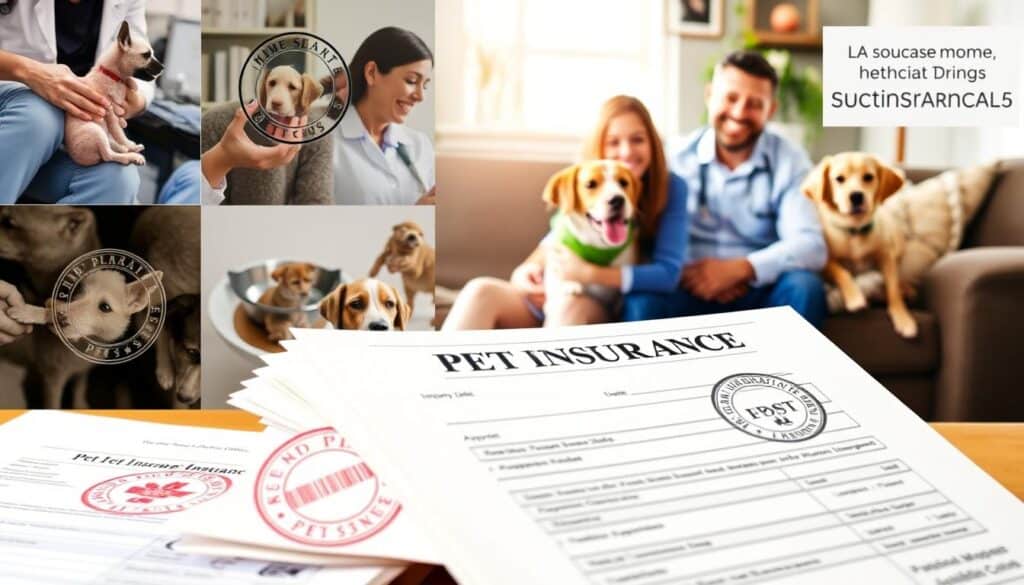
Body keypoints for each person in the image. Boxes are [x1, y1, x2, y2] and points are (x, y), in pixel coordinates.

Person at [443, 95, 688, 330]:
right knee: (480, 291)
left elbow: (667, 273)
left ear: (653, 143)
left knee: (567, 308)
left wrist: (587, 273)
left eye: (637, 139)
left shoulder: (670, 187)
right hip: (547, 296)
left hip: (592, 304)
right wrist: (522, 274)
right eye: (613, 142)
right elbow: (556, 241)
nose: (626, 152)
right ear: (599, 146)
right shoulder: (580, 182)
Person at [623, 50, 827, 327]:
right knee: (642, 299)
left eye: (755, 104)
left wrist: (743, 269)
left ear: (771, 110)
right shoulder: (673, 157)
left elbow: (811, 246)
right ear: (710, 95)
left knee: (805, 288)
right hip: (685, 285)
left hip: (758, 289)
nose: (739, 112)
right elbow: (630, 223)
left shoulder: (790, 160)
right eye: (731, 98)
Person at [0, 0, 153, 204]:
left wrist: (134, 100)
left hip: (78, 129)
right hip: (17, 106)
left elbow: (143, 56)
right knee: (39, 119)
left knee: (118, 180)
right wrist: (26, 70)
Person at [333, 27, 434, 206]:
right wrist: (415, 213)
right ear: (372, 73)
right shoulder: (323, 145)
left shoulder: (420, 145)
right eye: (411, 81)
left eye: (424, 85)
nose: (420, 96)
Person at [199, 101, 326, 205]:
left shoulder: (316, 131)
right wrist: (223, 157)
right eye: (272, 83)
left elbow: (317, 207)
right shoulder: (215, 122)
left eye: (292, 87)